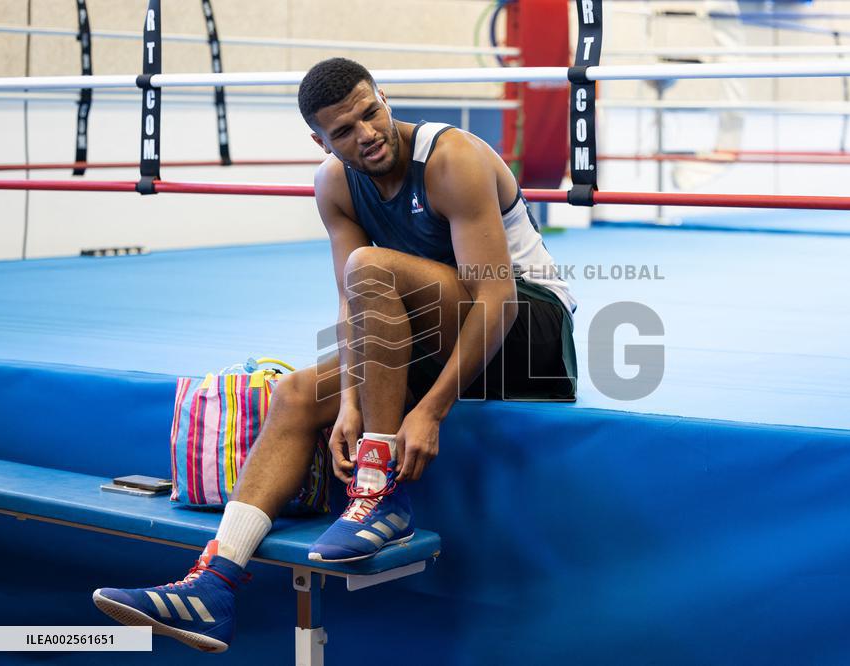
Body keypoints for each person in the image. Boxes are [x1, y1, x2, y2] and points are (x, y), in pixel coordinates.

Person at [91, 57, 577, 653]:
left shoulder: (452, 160)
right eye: (343, 131)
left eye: (370, 113)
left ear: (384, 98)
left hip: (527, 335)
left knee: (370, 265)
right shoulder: (335, 184)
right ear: (319, 140)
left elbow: (495, 298)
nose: (366, 134)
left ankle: (379, 493)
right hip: (442, 331)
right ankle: (211, 585)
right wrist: (352, 399)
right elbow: (353, 308)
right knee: (297, 392)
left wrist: (428, 412)